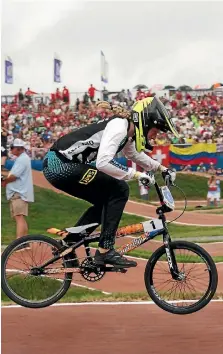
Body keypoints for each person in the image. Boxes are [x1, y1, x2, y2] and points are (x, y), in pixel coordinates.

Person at [43, 97, 178, 268]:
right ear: (145, 122)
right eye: (155, 130)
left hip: (62, 165)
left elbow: (135, 155)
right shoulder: (118, 127)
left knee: (106, 203)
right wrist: (135, 174)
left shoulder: (127, 132)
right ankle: (106, 251)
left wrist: (162, 168)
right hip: (61, 165)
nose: (155, 136)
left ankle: (70, 242)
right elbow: (103, 162)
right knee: (119, 189)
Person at [1, 139, 34, 249]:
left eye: (13, 148)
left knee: (19, 217)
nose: (11, 150)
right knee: (20, 217)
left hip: (18, 192)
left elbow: (14, 176)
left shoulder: (22, 159)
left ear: (19, 149)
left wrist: (4, 180)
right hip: (20, 192)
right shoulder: (23, 158)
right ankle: (24, 241)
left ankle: (19, 242)